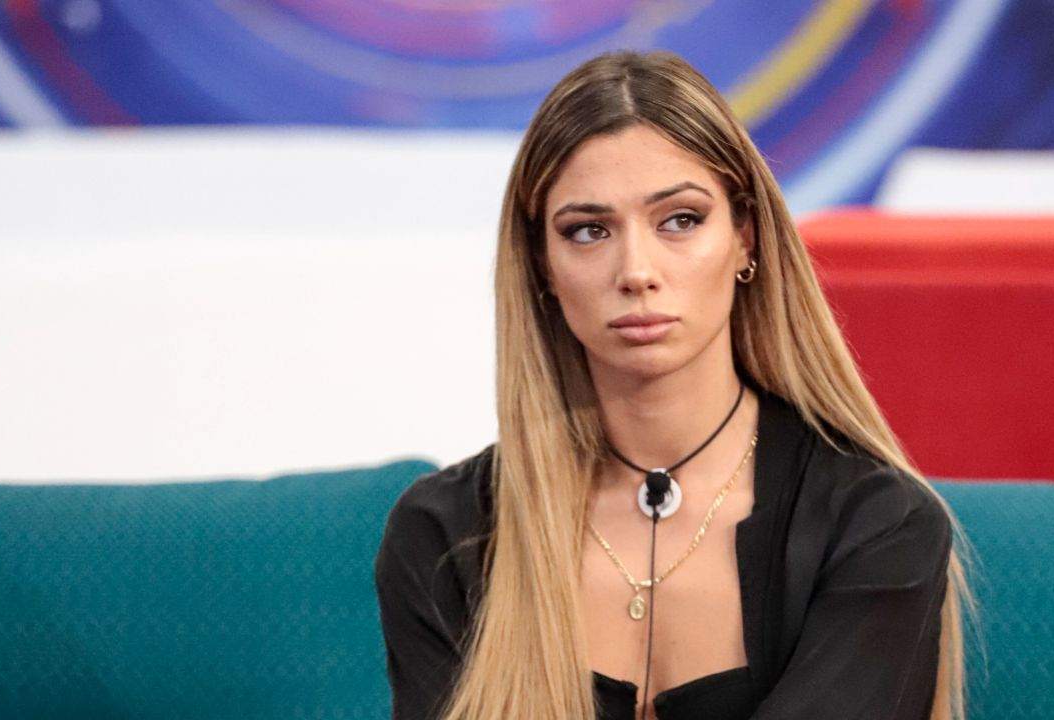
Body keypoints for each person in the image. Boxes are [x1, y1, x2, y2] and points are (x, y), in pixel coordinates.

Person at [374, 49, 979, 720]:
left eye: (680, 220)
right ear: (542, 266)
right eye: (588, 231)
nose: (636, 270)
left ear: (746, 238)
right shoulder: (445, 536)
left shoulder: (876, 524)